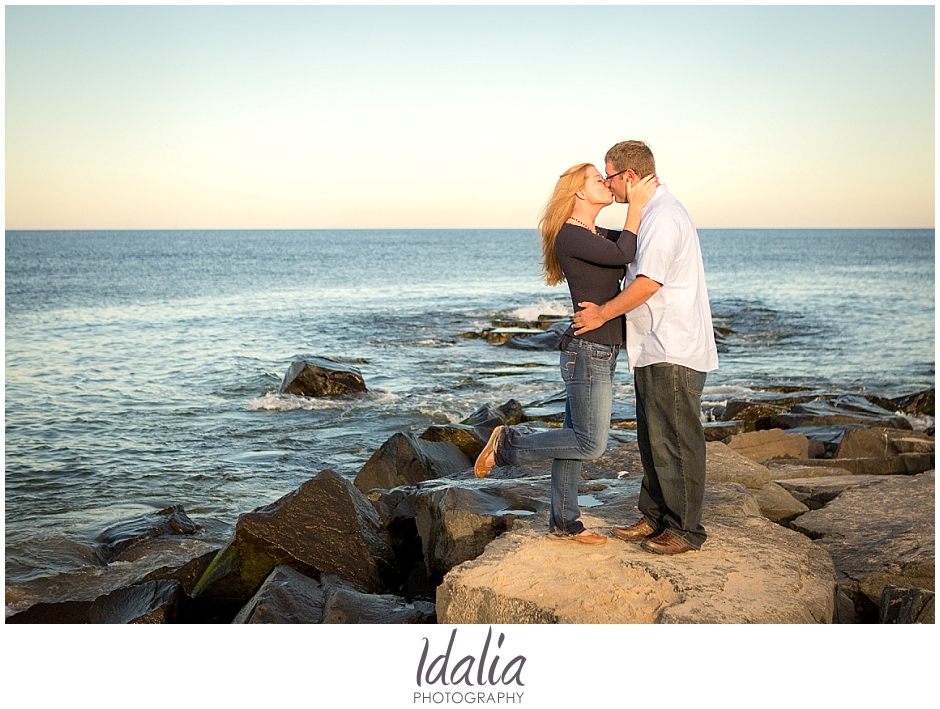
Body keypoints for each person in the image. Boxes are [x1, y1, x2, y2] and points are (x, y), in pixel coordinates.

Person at [474, 162, 658, 544]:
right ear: (578, 193)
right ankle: (507, 444)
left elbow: (633, 244)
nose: (606, 184)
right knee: (590, 443)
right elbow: (625, 251)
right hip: (587, 352)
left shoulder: (592, 233)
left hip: (602, 351)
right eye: (597, 180)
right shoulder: (570, 236)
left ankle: (565, 522)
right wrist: (636, 205)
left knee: (572, 439)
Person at [573, 140, 718, 555]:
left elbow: (648, 283)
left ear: (630, 177)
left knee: (676, 438)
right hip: (654, 343)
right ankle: (655, 516)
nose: (609, 183)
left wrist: (600, 314)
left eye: (611, 175)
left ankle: (685, 530)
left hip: (672, 345)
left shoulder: (663, 218)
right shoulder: (651, 214)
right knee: (653, 437)